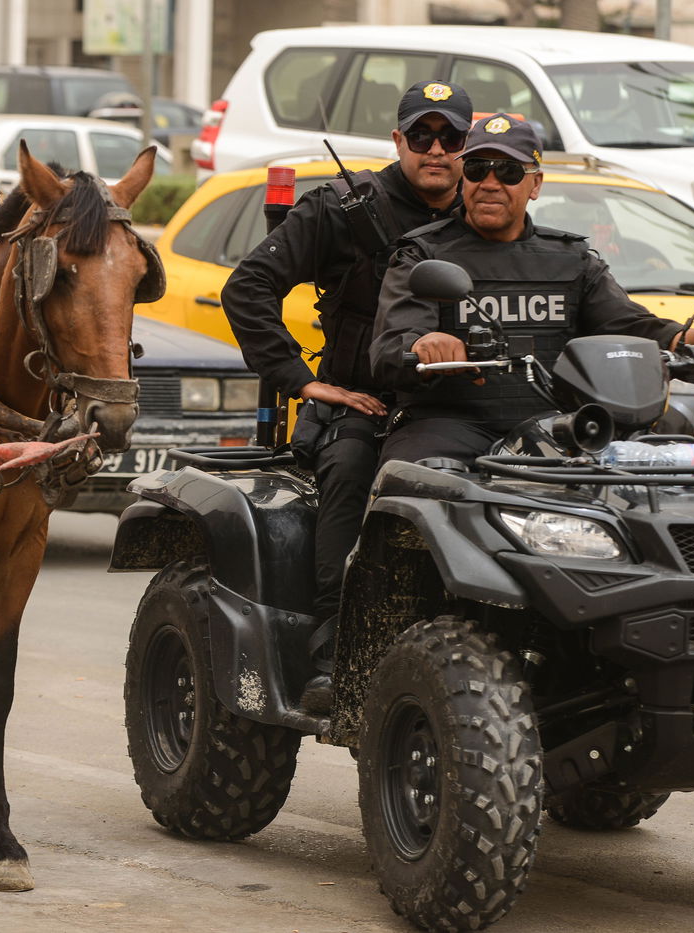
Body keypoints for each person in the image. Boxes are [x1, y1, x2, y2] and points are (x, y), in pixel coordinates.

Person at [222, 80, 476, 713]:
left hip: (465, 409)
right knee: (353, 471)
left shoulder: (487, 212)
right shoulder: (342, 208)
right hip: (364, 403)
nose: (436, 149)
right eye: (422, 135)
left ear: (468, 147)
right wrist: (301, 381)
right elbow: (249, 286)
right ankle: (335, 650)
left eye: (450, 138)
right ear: (398, 140)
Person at [370, 113, 694, 465]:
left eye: (507, 172)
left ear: (535, 184)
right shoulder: (423, 255)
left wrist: (688, 337)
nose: (489, 183)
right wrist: (422, 345)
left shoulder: (572, 259)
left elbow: (627, 326)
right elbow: (389, 350)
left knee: (653, 477)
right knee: (412, 479)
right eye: (476, 169)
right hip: (451, 424)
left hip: (556, 426)